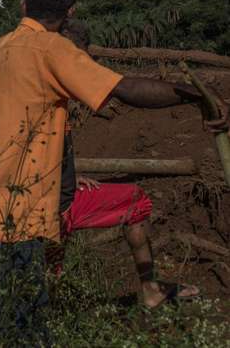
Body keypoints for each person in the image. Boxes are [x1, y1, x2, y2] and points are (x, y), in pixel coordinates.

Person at [0, 0, 228, 341]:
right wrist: (194, 94)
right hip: (12, 226)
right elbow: (124, 89)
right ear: (71, 11)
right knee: (23, 334)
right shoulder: (52, 49)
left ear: (23, 4)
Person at [54, 19, 199, 305]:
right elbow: (127, 89)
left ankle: (148, 291)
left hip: (49, 195)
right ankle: (149, 290)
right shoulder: (56, 76)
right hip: (46, 204)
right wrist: (194, 95)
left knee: (133, 199)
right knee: (48, 254)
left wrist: (68, 175)